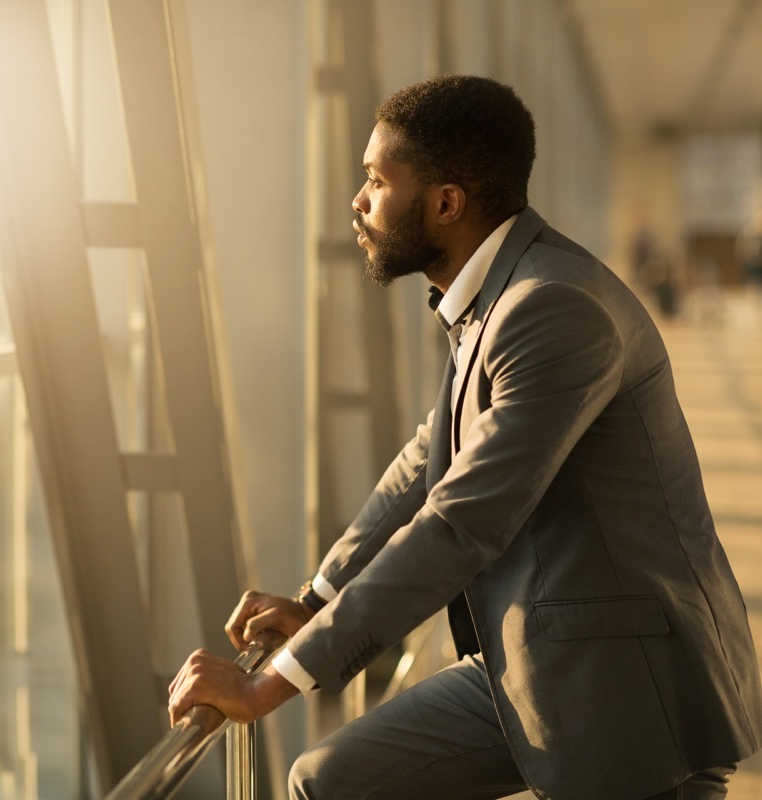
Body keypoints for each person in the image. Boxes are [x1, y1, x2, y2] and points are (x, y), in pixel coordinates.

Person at [166, 74, 762, 800]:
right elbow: (426, 460)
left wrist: (272, 685)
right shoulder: (497, 297)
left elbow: (462, 520)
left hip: (627, 684)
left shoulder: (551, 308)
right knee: (329, 781)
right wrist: (318, 598)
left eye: (376, 181)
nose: (357, 203)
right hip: (536, 658)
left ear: (447, 203)